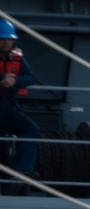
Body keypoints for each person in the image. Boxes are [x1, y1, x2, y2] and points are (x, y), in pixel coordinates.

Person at [0, 18, 38, 194]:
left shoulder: (17, 57)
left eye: (9, 39)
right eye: (2, 39)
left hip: (6, 106)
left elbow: (30, 77)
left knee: (30, 128)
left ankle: (22, 170)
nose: (6, 42)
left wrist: (15, 80)